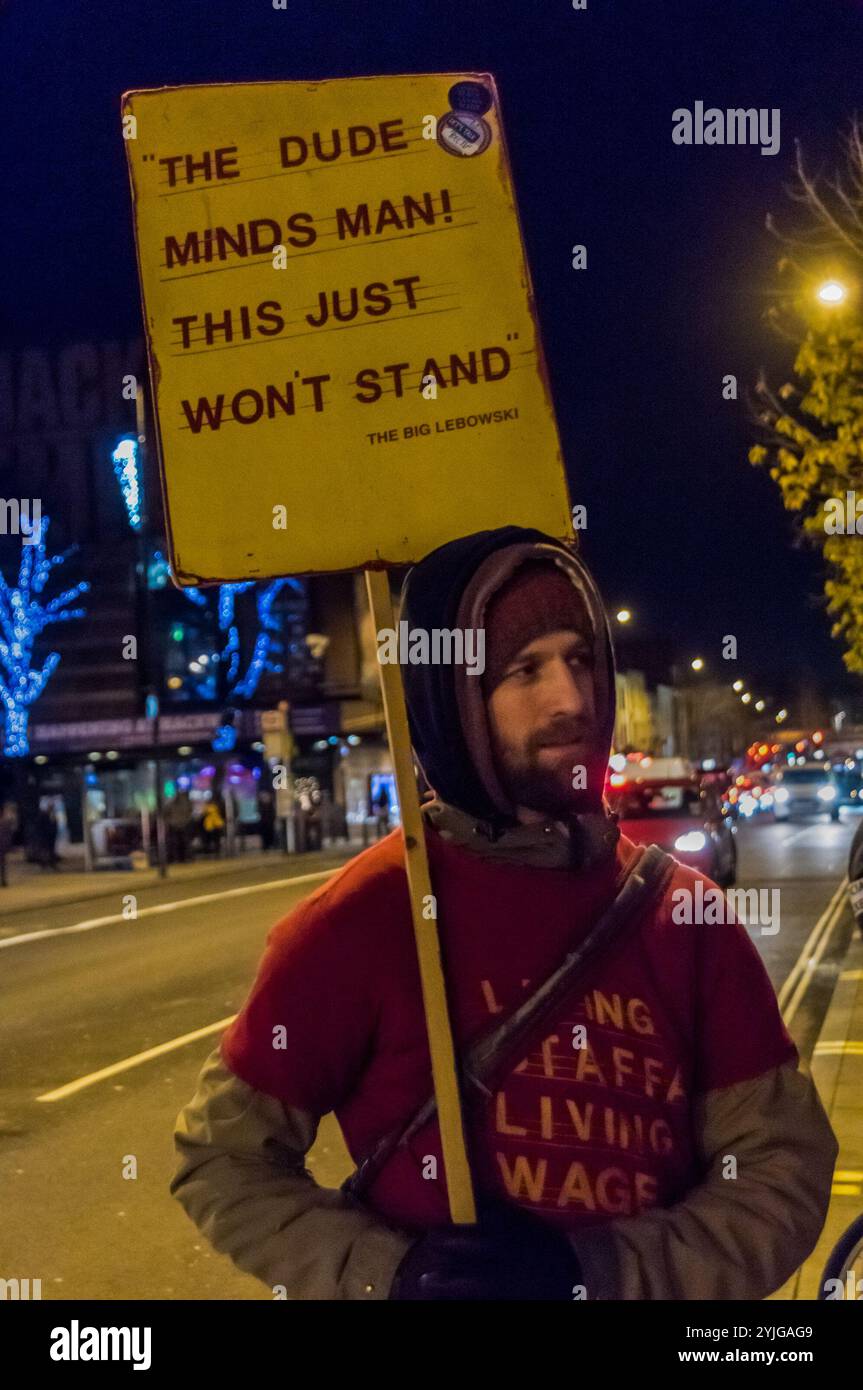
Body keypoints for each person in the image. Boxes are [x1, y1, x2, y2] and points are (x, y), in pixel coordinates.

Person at [171, 526, 837, 1301]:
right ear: (453, 705)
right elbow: (220, 1159)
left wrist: (600, 1274)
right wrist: (391, 1277)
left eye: (580, 660)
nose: (571, 699)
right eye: (524, 670)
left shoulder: (682, 914)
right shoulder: (365, 917)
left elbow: (777, 1169)